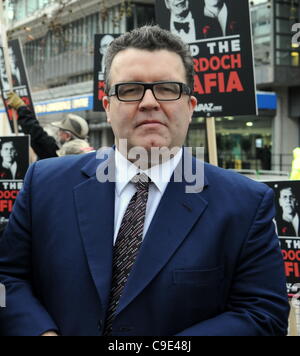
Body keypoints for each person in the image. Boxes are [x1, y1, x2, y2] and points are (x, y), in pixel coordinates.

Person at [0, 26, 289, 336]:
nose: (149, 102)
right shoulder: (45, 184)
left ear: (190, 107)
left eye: (167, 89)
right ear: (108, 107)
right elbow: (8, 279)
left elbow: (263, 314)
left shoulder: (246, 204)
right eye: (130, 89)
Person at [6, 92, 90, 160]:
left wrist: (21, 108)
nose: (58, 133)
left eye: (60, 130)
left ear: (67, 136)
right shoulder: (86, 155)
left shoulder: (58, 156)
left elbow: (36, 134)